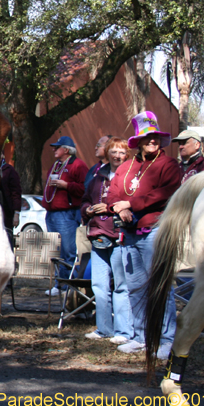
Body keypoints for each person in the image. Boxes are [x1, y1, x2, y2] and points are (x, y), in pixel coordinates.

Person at [107, 111, 180, 358]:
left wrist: (131, 205)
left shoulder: (168, 165)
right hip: (129, 235)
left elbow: (167, 192)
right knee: (136, 288)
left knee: (160, 287)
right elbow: (113, 194)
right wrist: (118, 207)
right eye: (147, 138)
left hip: (155, 233)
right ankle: (141, 337)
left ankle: (165, 340)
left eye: (156, 138)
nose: (152, 141)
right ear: (138, 141)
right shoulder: (126, 166)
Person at [81, 137, 132, 344]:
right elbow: (85, 200)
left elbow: (133, 202)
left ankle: (124, 331)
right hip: (98, 234)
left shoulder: (130, 177)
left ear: (126, 155)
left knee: (121, 286)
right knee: (100, 285)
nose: (117, 156)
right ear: (108, 153)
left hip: (121, 236)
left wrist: (112, 209)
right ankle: (104, 328)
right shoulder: (97, 178)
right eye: (114, 152)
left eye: (122, 152)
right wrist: (88, 209)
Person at [40, 136, 88, 295]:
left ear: (66, 150)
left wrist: (66, 185)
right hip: (52, 213)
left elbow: (84, 188)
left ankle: (69, 286)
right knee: (55, 251)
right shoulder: (55, 166)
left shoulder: (78, 165)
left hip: (66, 214)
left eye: (57, 147)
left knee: (68, 251)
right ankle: (58, 284)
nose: (54, 149)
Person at [0, 152, 22, 243]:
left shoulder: (9, 170)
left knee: (7, 241)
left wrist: (16, 213)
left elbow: (16, 193)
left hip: (6, 212)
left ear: (2, 155)